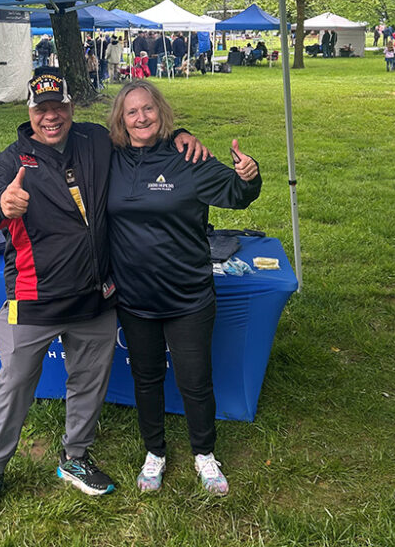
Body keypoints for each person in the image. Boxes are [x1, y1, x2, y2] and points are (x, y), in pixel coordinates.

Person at [0, 68, 208, 522]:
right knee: (13, 386)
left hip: (96, 297)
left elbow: (142, 135)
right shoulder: (12, 159)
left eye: (58, 107)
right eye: (42, 109)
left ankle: (74, 456)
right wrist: (1, 204)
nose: (51, 116)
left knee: (89, 384)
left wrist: (182, 135)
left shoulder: (96, 140)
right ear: (30, 114)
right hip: (33, 298)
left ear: (71, 108)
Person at [107, 80, 261, 495]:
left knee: (195, 380)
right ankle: (154, 452)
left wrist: (249, 176)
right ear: (121, 120)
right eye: (131, 112)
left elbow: (237, 193)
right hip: (135, 297)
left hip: (188, 295)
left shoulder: (187, 157)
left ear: (162, 112)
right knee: (147, 377)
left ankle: (204, 454)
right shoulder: (110, 158)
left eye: (148, 109)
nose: (141, 118)